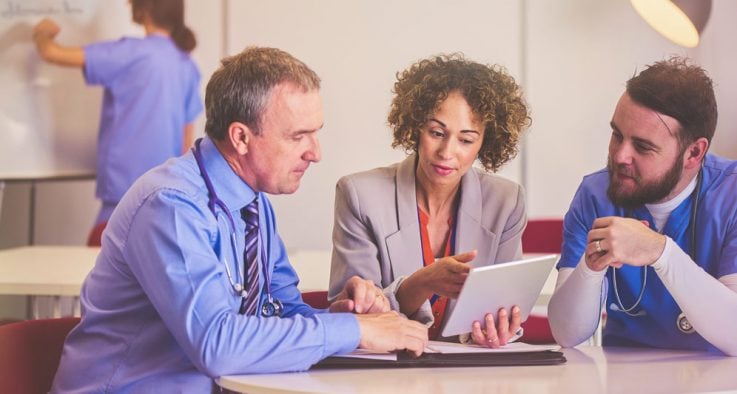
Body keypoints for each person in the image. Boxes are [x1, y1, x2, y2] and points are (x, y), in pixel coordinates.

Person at [51, 47, 428, 392]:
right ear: (241, 138)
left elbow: (278, 311)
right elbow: (217, 345)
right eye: (299, 136)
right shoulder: (170, 206)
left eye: (316, 133)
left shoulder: (253, 204)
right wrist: (353, 331)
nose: (315, 153)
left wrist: (343, 314)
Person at [329, 54, 531, 347]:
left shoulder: (506, 202)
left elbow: (505, 312)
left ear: (485, 142)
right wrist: (423, 282)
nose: (447, 152)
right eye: (436, 132)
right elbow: (355, 315)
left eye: (466, 140)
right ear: (415, 127)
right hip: (384, 375)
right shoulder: (359, 195)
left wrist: (499, 329)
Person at [548, 56, 737, 356]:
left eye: (643, 146)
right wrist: (590, 268)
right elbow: (567, 334)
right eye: (616, 135)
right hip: (623, 378)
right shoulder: (595, 194)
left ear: (694, 153)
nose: (620, 156)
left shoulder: (731, 194)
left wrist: (660, 252)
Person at [32, 0, 203, 225]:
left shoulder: (130, 53)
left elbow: (51, 53)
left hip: (123, 200)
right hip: (165, 199)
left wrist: (41, 32)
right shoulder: (186, 65)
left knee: (98, 258)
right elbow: (185, 144)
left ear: (147, 8)